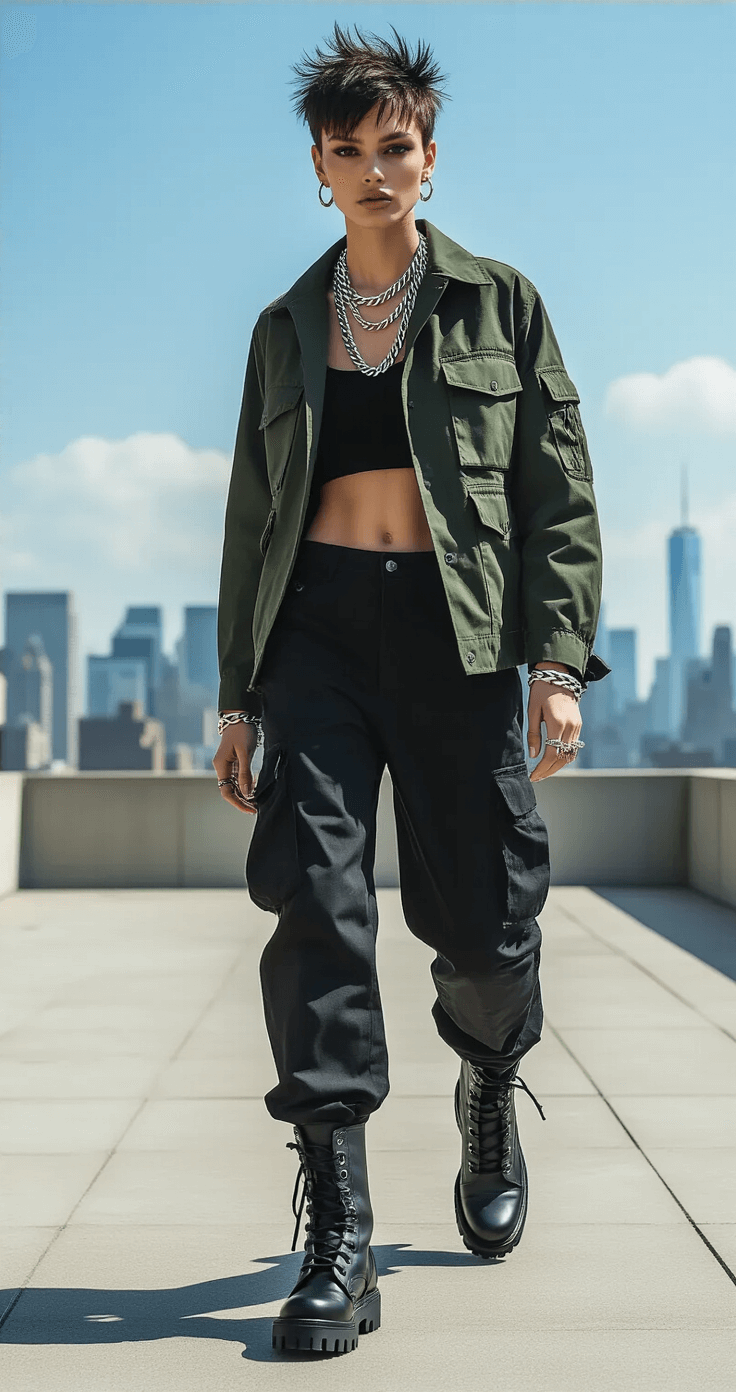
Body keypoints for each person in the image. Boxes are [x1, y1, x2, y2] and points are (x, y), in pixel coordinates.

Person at [213, 22, 610, 1356]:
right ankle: (340, 1236)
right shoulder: (283, 329)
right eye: (350, 151)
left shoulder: (504, 304)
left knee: (485, 924)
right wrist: (239, 693)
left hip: (460, 635)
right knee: (315, 911)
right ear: (318, 168)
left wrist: (555, 663)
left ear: (429, 158)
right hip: (316, 638)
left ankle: (489, 1082)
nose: (376, 171)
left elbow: (559, 494)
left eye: (397, 147)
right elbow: (252, 518)